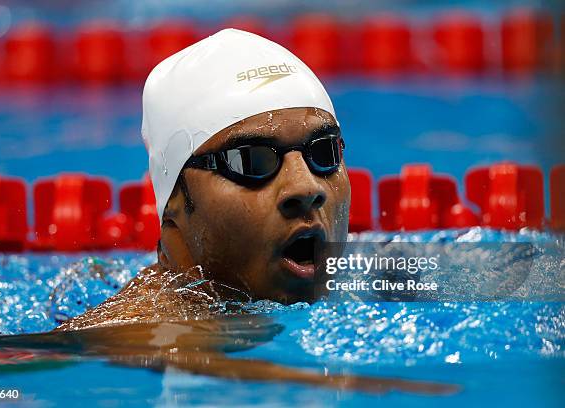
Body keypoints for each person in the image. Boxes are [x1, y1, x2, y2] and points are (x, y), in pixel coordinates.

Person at [48, 29, 456, 394]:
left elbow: (512, 277)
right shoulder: (138, 325)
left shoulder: (375, 275)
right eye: (251, 161)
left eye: (323, 152)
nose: (306, 187)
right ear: (173, 202)